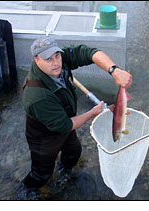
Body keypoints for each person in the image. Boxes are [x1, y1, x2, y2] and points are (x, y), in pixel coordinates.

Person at [18, 36, 132, 198]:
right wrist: (92, 113)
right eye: (48, 59)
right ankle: (25, 192)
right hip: (44, 137)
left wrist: (114, 70)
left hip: (65, 119)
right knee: (42, 173)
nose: (56, 63)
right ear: (37, 60)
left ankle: (66, 174)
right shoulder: (37, 96)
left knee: (73, 152)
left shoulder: (59, 61)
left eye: (57, 56)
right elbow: (65, 126)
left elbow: (89, 53)